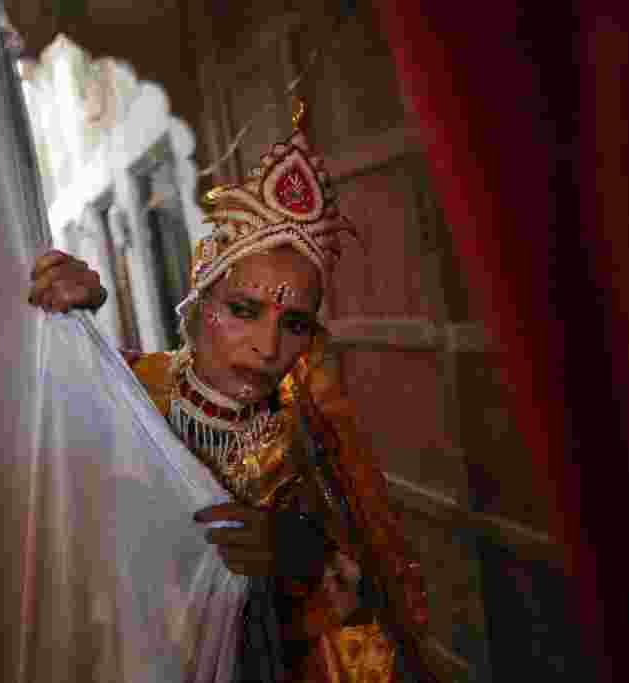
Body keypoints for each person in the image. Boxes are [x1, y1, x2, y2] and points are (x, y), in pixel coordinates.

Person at [28, 109, 442, 682]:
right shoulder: (136, 395)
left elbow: (371, 579)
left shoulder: (308, 433)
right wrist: (75, 324)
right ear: (199, 308)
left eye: (294, 323)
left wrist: (298, 553)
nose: (268, 345)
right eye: (244, 311)